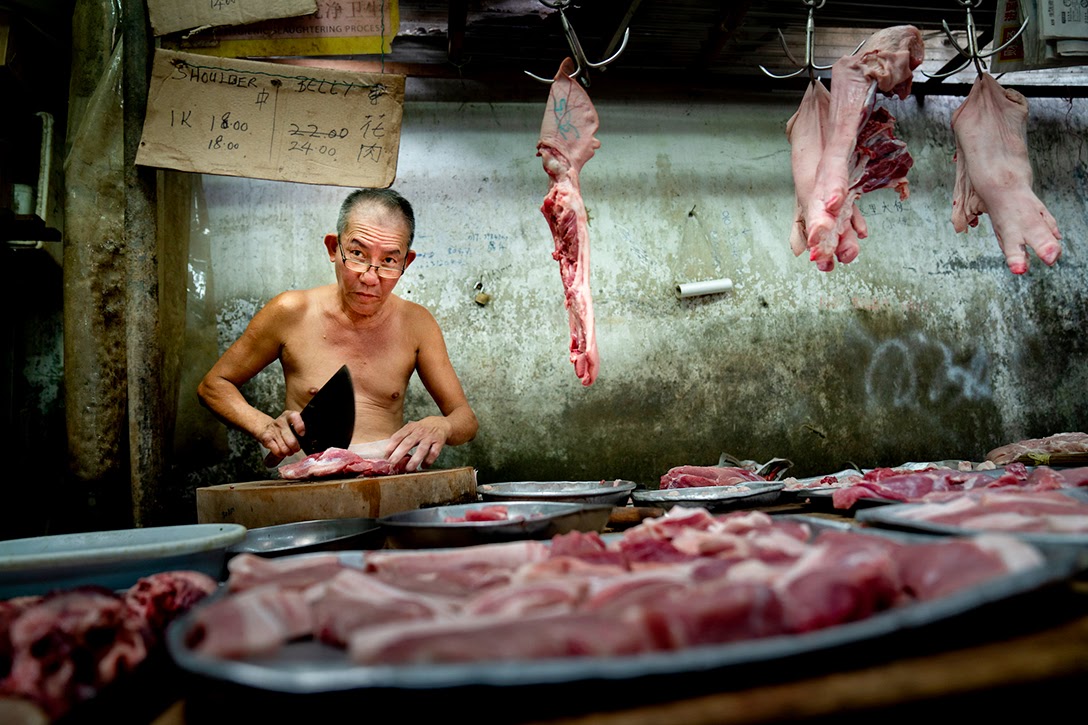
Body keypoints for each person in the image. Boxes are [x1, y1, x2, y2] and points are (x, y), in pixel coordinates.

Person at [197, 188, 478, 472]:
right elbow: (213, 385)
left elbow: (465, 419)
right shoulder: (291, 311)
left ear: (406, 262)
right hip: (306, 481)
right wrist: (264, 426)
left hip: (386, 482)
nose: (370, 277)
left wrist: (442, 425)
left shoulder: (417, 323)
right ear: (334, 248)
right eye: (357, 254)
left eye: (389, 261)